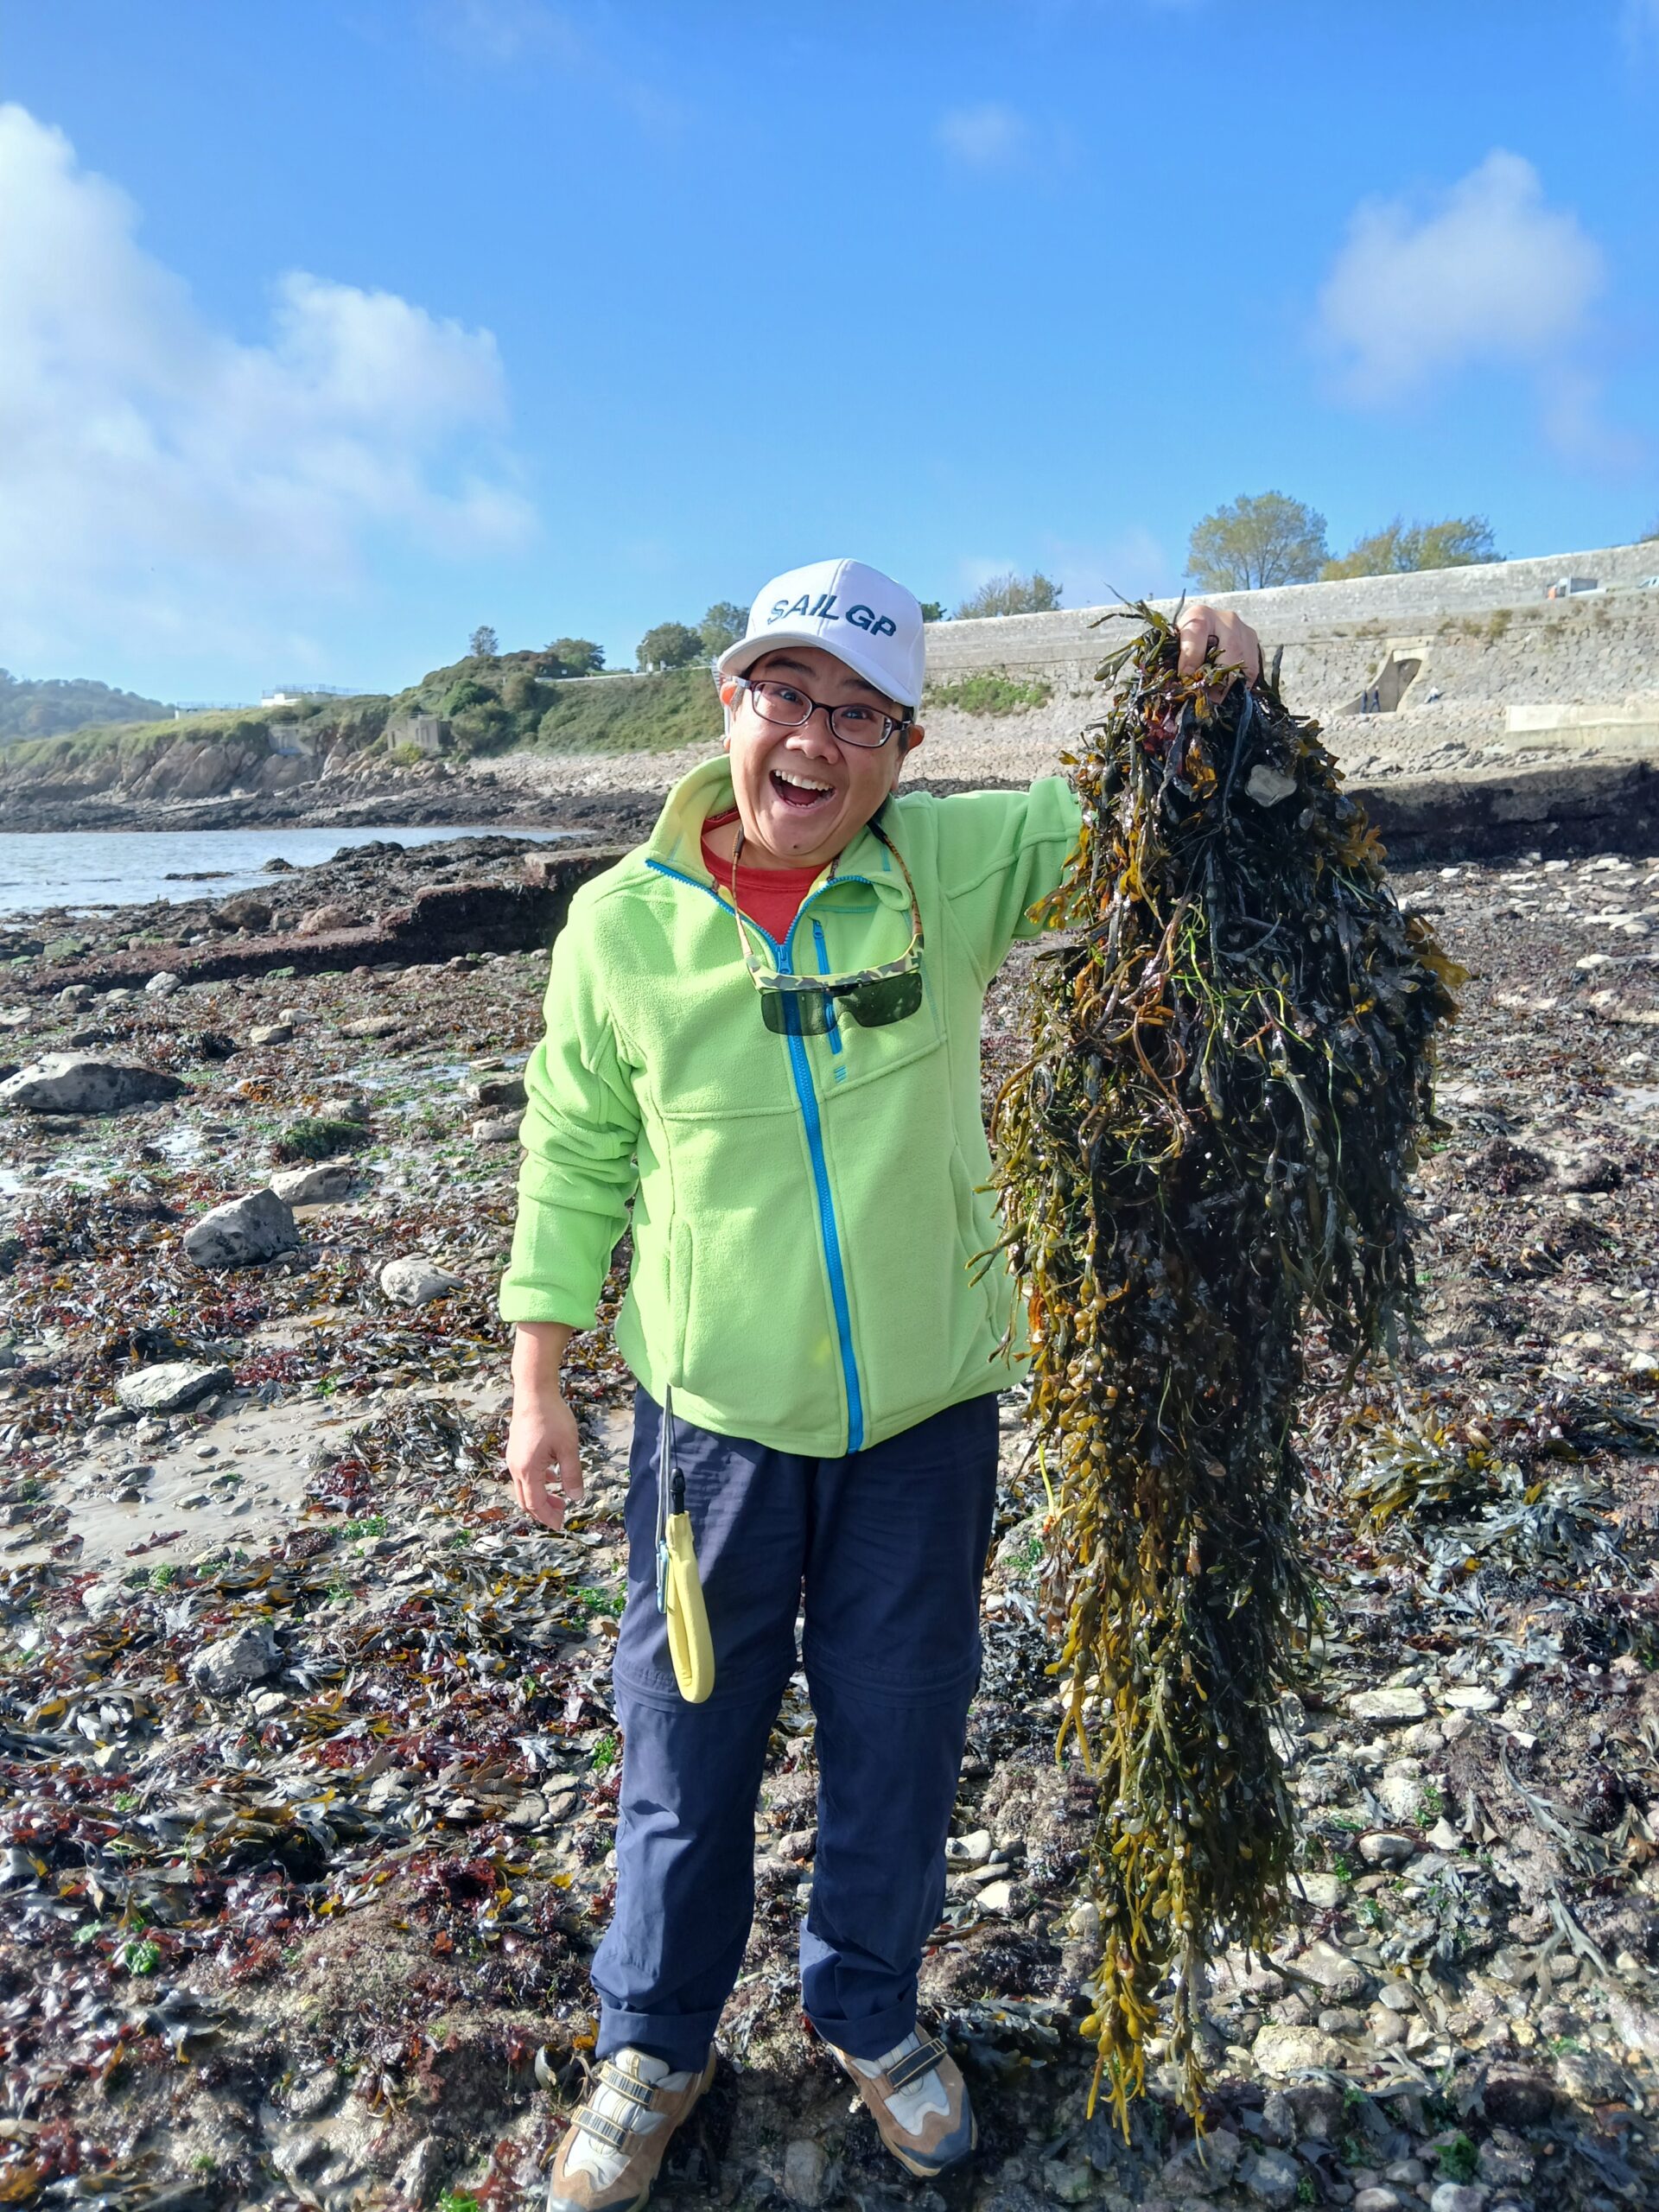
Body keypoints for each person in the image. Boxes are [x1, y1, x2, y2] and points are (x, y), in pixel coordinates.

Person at [502, 558, 1261, 2212]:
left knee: (902, 1738)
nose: (817, 741)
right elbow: (572, 1149)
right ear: (732, 709)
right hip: (712, 1435)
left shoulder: (950, 870)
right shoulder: (623, 929)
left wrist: (1212, 679)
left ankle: (866, 2008)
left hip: (927, 1418)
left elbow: (1131, 811)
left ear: (906, 746)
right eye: (789, 697)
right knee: (683, 1752)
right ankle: (654, 2040)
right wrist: (541, 1377)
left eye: (858, 714)